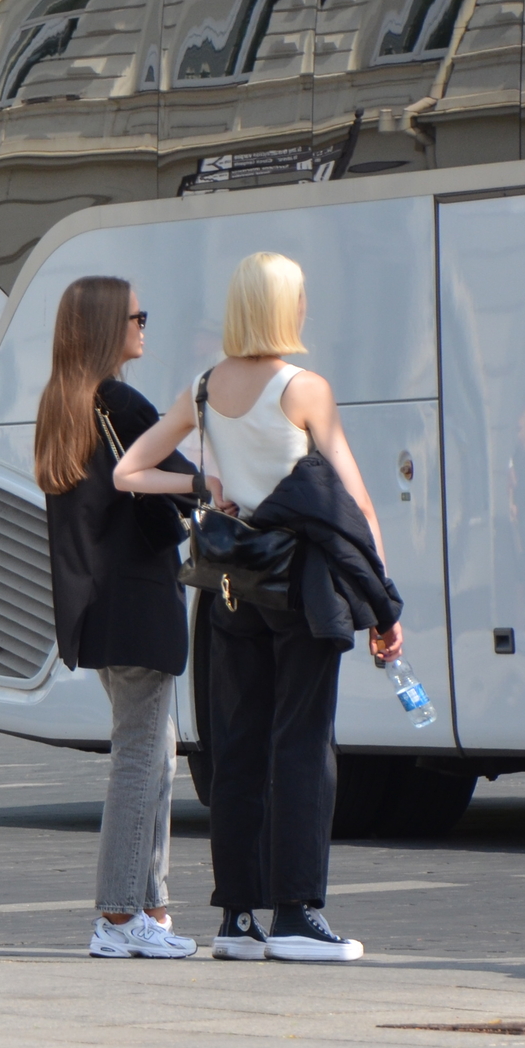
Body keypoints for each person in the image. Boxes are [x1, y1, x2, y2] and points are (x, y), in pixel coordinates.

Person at [115, 252, 403, 964]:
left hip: (228, 587)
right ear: (285, 308)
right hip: (301, 585)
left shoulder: (204, 389)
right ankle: (299, 917)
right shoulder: (304, 389)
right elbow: (353, 502)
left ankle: (238, 918)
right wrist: (384, 603)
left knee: (236, 748)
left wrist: (205, 485)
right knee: (303, 745)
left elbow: (128, 471)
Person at [36, 277, 197, 961]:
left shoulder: (61, 405)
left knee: (155, 751)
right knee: (140, 756)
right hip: (137, 602)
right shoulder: (121, 403)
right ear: (108, 327)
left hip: (98, 607)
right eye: (137, 316)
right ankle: (119, 914)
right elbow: (185, 474)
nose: (144, 326)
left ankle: (149, 906)